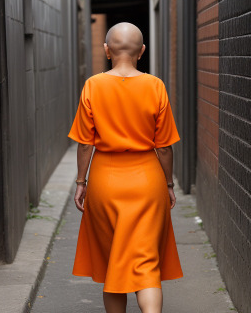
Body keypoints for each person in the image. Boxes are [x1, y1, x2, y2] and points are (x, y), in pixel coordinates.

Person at [68, 22, 183, 313]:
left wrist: (81, 182)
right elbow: (165, 146)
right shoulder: (155, 86)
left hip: (106, 180)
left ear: (106, 50)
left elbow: (85, 144)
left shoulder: (93, 85)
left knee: (112, 264)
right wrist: (168, 185)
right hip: (147, 179)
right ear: (141, 52)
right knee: (146, 263)